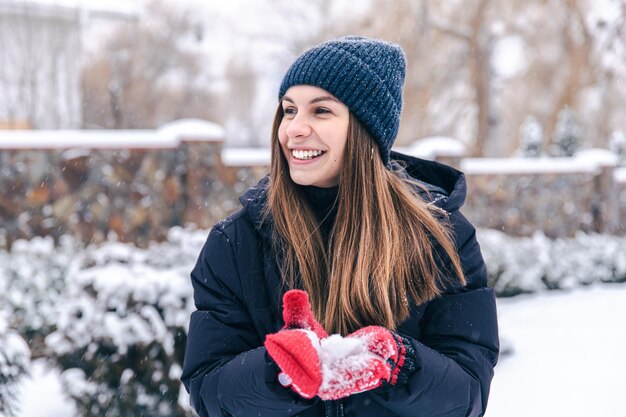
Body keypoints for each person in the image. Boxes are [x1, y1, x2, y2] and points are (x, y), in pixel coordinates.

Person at [181, 36, 499, 417]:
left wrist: (400, 364)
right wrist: (279, 370)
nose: (294, 129)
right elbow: (207, 389)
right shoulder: (235, 243)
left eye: (321, 111)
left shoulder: (441, 238)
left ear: (366, 129)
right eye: (289, 110)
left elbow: (468, 394)